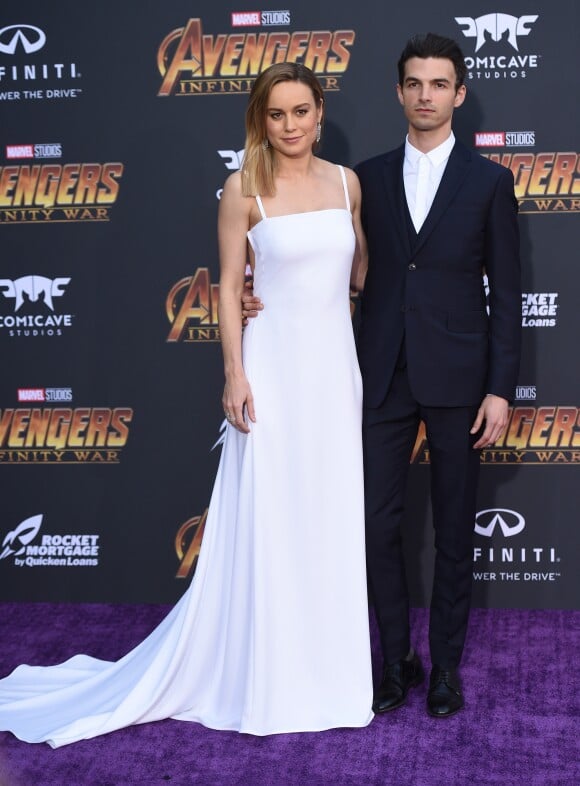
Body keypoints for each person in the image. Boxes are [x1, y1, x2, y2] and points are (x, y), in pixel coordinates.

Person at [0, 63, 373, 747]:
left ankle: (335, 678)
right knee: (272, 517)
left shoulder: (348, 184)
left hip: (333, 374)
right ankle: (271, 677)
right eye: (276, 114)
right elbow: (230, 290)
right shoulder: (243, 191)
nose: (290, 126)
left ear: (321, 111)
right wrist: (234, 373)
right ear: (260, 121)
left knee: (329, 516)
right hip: (274, 372)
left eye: (300, 111)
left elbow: (356, 272)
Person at [244, 34, 521, 719]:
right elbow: (339, 266)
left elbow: (509, 293)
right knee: (375, 525)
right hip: (377, 373)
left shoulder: (491, 183)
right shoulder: (360, 178)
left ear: (458, 94)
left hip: (461, 376)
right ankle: (395, 661)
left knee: (456, 529)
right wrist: (262, 292)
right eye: (414, 83)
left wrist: (500, 388)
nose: (426, 95)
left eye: (439, 84)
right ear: (399, 93)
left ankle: (446, 669)